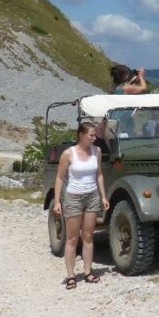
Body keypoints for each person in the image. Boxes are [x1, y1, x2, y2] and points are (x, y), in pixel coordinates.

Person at [53, 122, 110, 289]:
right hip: (73, 197)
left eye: (95, 135)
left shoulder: (96, 151)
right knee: (72, 238)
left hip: (92, 196)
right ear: (81, 135)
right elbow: (59, 178)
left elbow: (99, 174)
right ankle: (71, 276)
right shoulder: (68, 154)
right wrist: (57, 201)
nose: (94, 138)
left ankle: (87, 272)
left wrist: (103, 196)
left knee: (88, 236)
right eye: (91, 135)